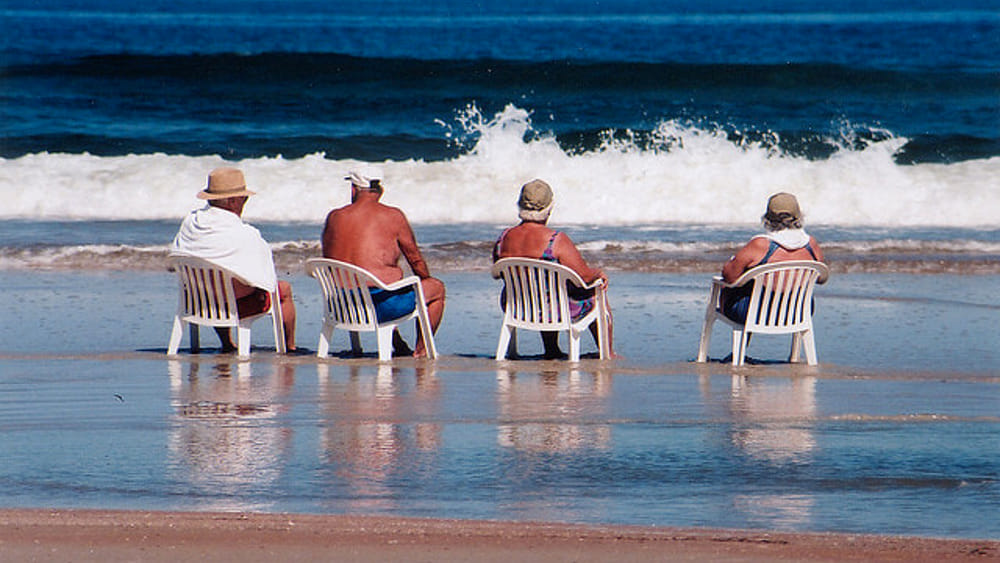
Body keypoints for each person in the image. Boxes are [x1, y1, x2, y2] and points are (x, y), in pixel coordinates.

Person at [321, 167, 446, 358]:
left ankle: (397, 342)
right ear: (380, 190)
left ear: (354, 189)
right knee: (436, 288)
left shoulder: (334, 216)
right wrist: (424, 282)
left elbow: (328, 256)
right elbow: (415, 259)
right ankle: (421, 350)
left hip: (341, 305)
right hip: (379, 308)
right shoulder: (393, 216)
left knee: (385, 282)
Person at [171, 167, 297, 353]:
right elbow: (265, 279)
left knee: (218, 279)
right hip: (229, 303)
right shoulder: (244, 233)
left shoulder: (191, 222)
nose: (245, 202)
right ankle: (290, 347)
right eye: (243, 198)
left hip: (198, 300)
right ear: (232, 201)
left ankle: (227, 343)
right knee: (282, 289)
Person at [492, 179, 616, 359]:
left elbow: (498, 272)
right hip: (555, 310)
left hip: (518, 305)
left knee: (545, 289)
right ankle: (608, 352)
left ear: (520, 206)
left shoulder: (504, 237)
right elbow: (584, 276)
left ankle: (551, 349)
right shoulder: (556, 239)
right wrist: (598, 273)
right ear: (549, 208)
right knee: (593, 291)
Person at [720, 192, 827, 323]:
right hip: (798, 313)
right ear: (798, 216)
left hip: (757, 314)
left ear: (768, 218)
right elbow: (822, 278)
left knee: (729, 288)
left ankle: (742, 340)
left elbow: (730, 277)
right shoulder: (810, 244)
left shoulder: (760, 244)